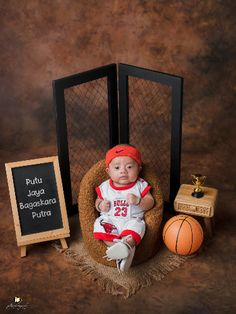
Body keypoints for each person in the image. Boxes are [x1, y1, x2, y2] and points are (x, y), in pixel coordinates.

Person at [93, 144, 154, 272]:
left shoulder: (140, 185)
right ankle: (119, 249)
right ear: (108, 171)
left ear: (139, 169)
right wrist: (100, 205)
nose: (123, 171)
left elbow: (151, 202)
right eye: (117, 167)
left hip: (131, 220)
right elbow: (97, 202)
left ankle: (126, 246)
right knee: (99, 224)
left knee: (138, 227)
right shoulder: (105, 187)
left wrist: (139, 201)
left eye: (130, 167)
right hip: (110, 220)